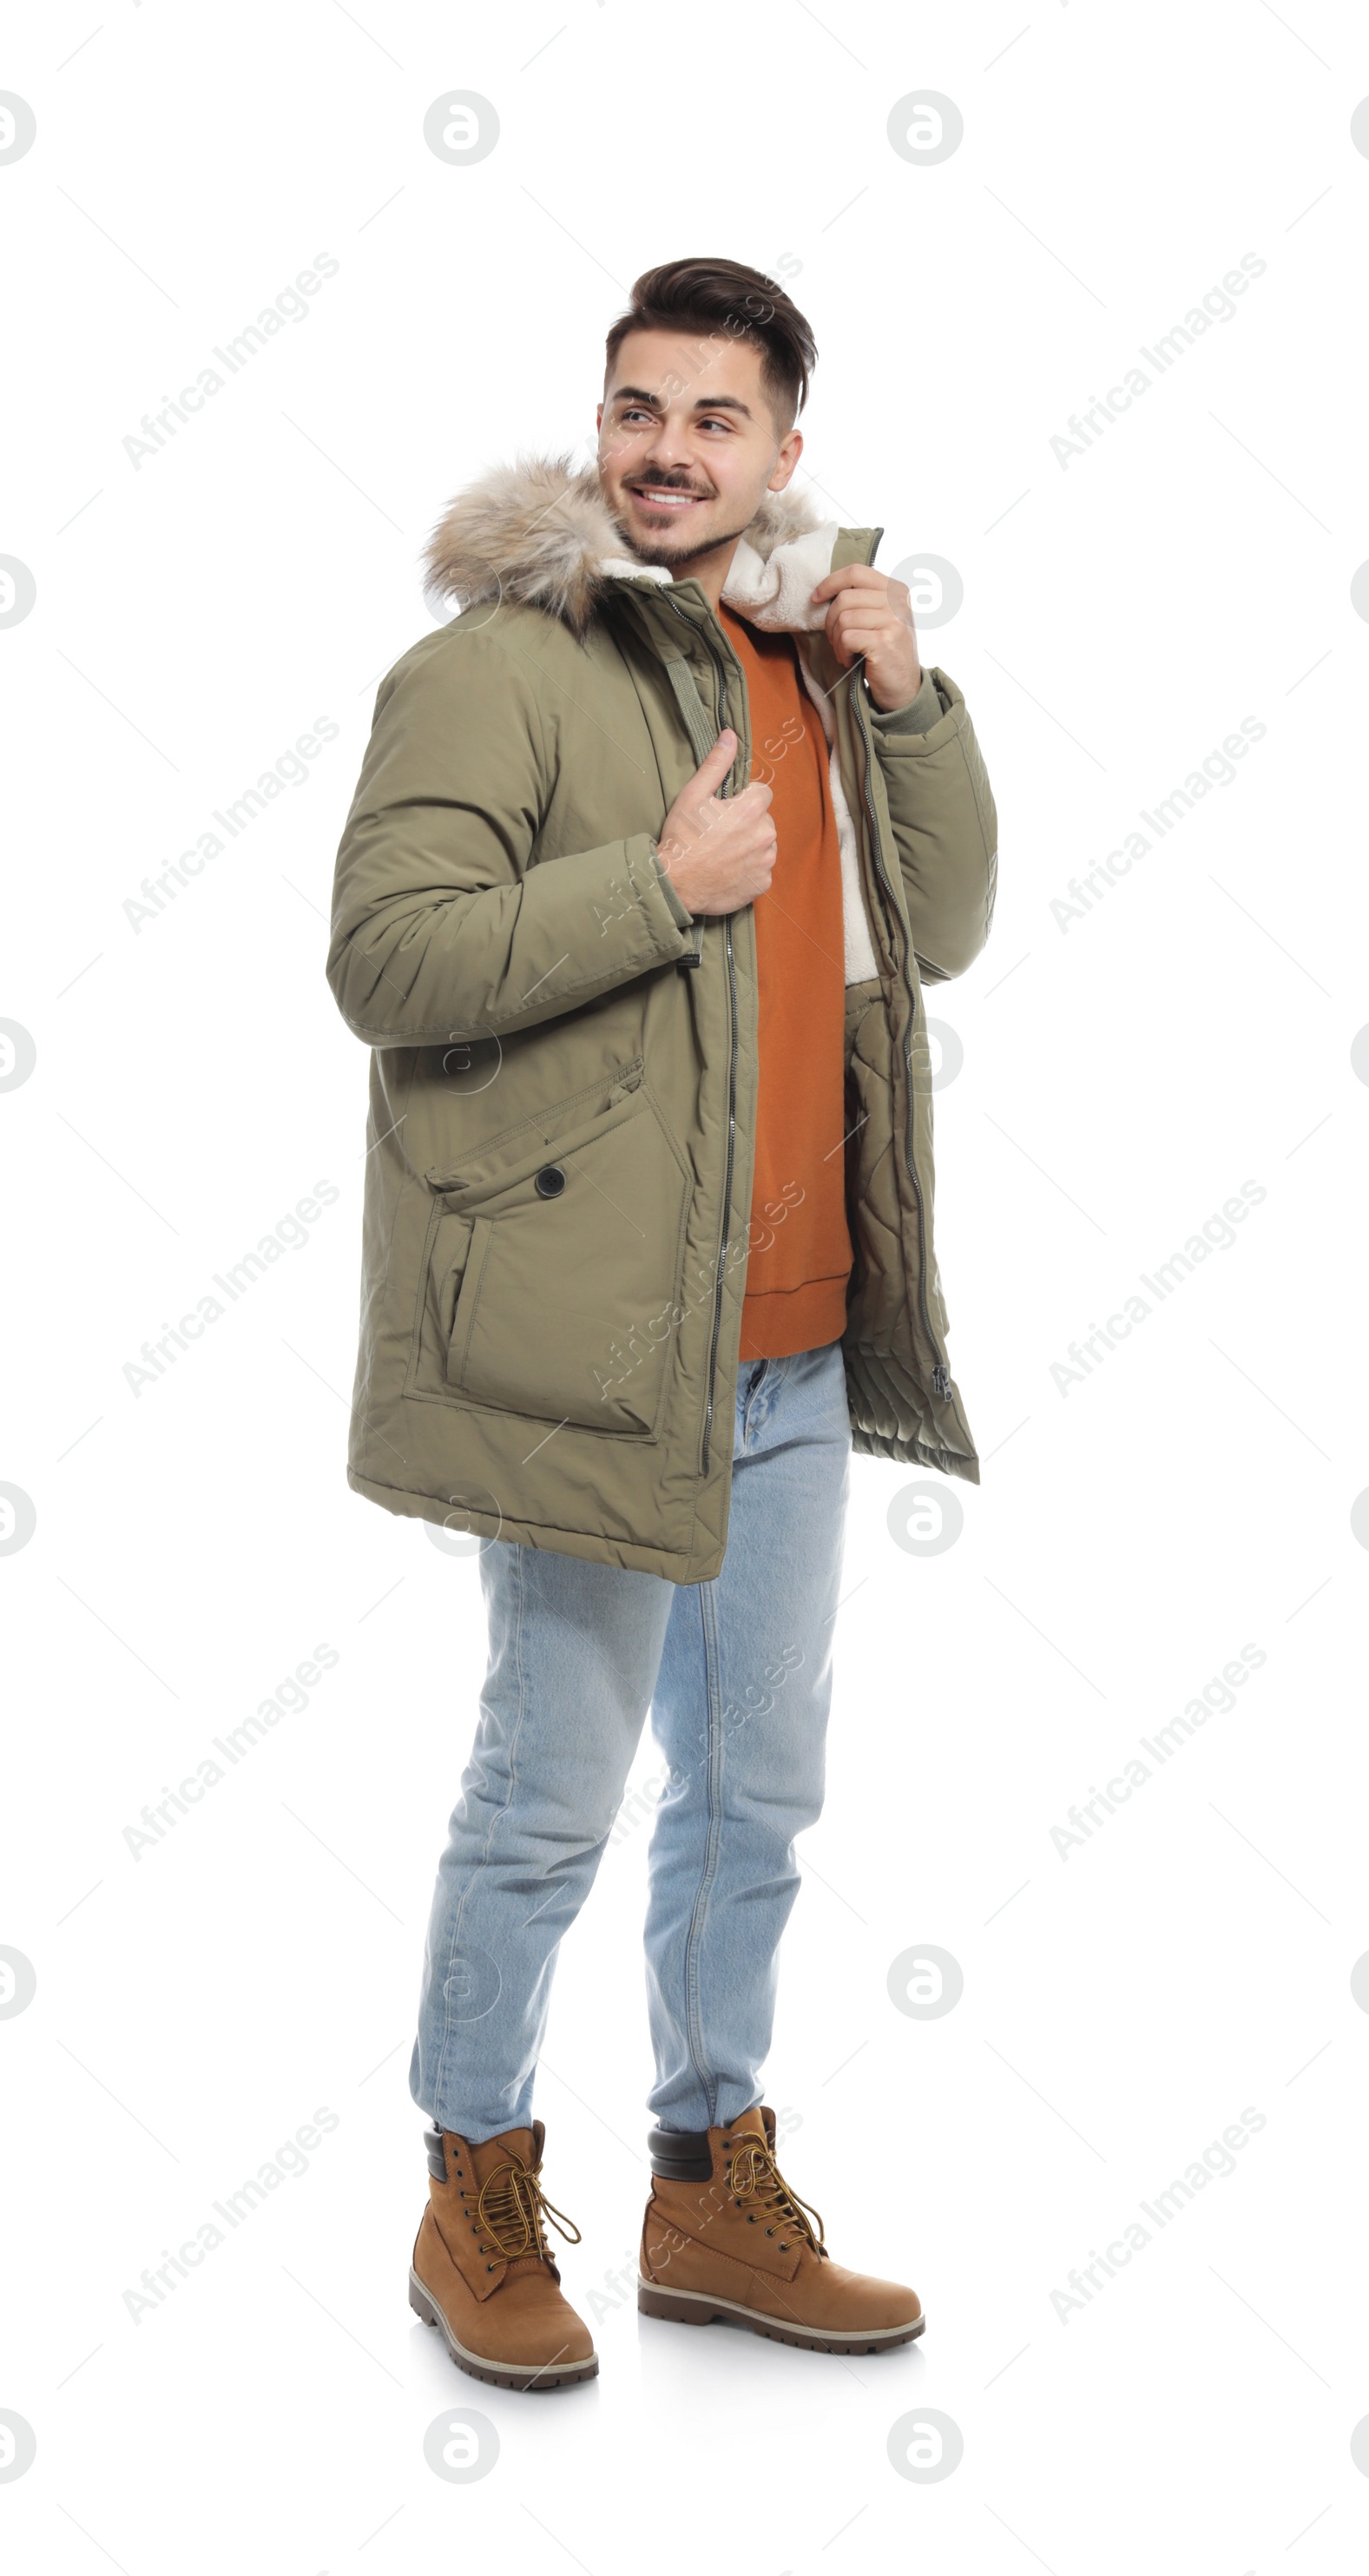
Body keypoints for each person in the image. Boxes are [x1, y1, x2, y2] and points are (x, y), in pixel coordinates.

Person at [326, 257, 998, 2391]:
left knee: (755, 1795)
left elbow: (947, 924)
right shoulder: (498, 663)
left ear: (783, 448)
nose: (668, 448)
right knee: (548, 1793)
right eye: (639, 408)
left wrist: (909, 705)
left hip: (796, 1341)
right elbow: (388, 957)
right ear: (599, 425)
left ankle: (706, 2179)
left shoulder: (811, 654)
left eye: (715, 418)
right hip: (594, 1352)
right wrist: (658, 885)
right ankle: (469, 2188)